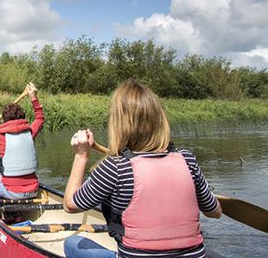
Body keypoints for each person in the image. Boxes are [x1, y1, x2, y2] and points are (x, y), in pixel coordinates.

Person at [63, 79, 222, 258]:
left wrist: (81, 155)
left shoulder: (115, 167)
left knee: (72, 243)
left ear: (118, 123)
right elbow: (215, 212)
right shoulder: (187, 160)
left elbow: (70, 205)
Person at [0, 82, 45, 200]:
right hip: (33, 191)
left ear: (4, 120)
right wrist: (33, 98)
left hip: (11, 193)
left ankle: (1, 204)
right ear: (22, 116)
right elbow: (40, 118)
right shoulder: (30, 132)